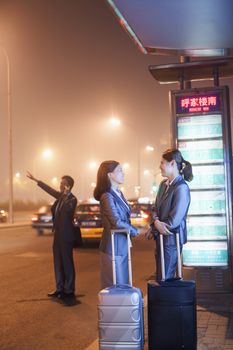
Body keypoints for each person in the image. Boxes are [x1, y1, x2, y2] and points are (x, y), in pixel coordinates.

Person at [27, 171, 77, 301]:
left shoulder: (72, 199)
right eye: (61, 184)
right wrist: (36, 180)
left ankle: (69, 290)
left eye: (63, 184)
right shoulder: (60, 197)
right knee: (58, 262)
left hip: (67, 236)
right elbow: (49, 189)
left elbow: (68, 210)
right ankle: (59, 288)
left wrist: (66, 194)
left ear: (69, 186)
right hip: (58, 234)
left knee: (67, 262)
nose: (60, 186)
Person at [93, 160, 140, 289]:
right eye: (119, 170)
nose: (123, 173)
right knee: (115, 286)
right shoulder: (107, 196)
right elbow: (116, 222)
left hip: (122, 244)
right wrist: (134, 230)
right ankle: (115, 310)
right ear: (110, 175)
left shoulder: (119, 193)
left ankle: (124, 309)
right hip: (113, 247)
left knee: (123, 284)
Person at [148, 149, 193, 281]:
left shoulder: (181, 187)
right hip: (161, 239)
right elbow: (155, 208)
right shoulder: (163, 185)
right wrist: (156, 223)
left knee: (166, 278)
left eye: (162, 163)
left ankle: (165, 302)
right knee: (160, 276)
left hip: (172, 240)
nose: (159, 166)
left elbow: (174, 221)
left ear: (172, 163)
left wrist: (157, 225)